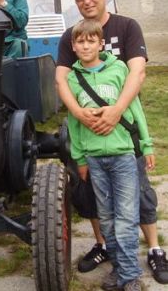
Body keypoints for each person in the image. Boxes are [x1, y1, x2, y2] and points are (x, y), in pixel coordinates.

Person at [56, 0, 168, 284]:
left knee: (140, 199)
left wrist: (117, 111)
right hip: (90, 137)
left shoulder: (126, 26)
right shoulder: (70, 36)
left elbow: (138, 72)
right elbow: (62, 79)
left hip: (123, 133)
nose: (87, 1)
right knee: (98, 202)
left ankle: (155, 250)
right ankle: (106, 248)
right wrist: (78, 113)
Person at [68, 19, 155, 291]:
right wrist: (80, 158)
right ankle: (119, 270)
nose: (85, 45)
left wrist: (148, 144)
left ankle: (131, 277)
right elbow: (74, 123)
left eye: (90, 40)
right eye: (80, 41)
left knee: (127, 218)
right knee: (106, 219)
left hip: (122, 156)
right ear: (73, 46)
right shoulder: (73, 78)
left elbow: (136, 110)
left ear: (100, 43)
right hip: (94, 159)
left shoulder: (118, 70)